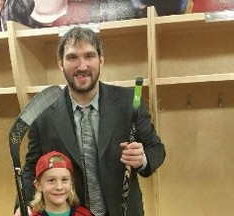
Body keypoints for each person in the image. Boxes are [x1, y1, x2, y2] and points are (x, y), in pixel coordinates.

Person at [14, 26, 166, 216]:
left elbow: (156, 148)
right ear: (60, 63)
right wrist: (23, 203)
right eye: (72, 57)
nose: (82, 66)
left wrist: (142, 159)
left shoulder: (128, 102)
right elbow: (32, 166)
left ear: (101, 59)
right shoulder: (43, 113)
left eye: (89, 56)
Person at [30, 151, 92, 216]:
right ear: (38, 185)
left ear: (71, 183)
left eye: (64, 180)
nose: (59, 187)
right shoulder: (30, 214)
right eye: (51, 180)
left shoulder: (84, 214)